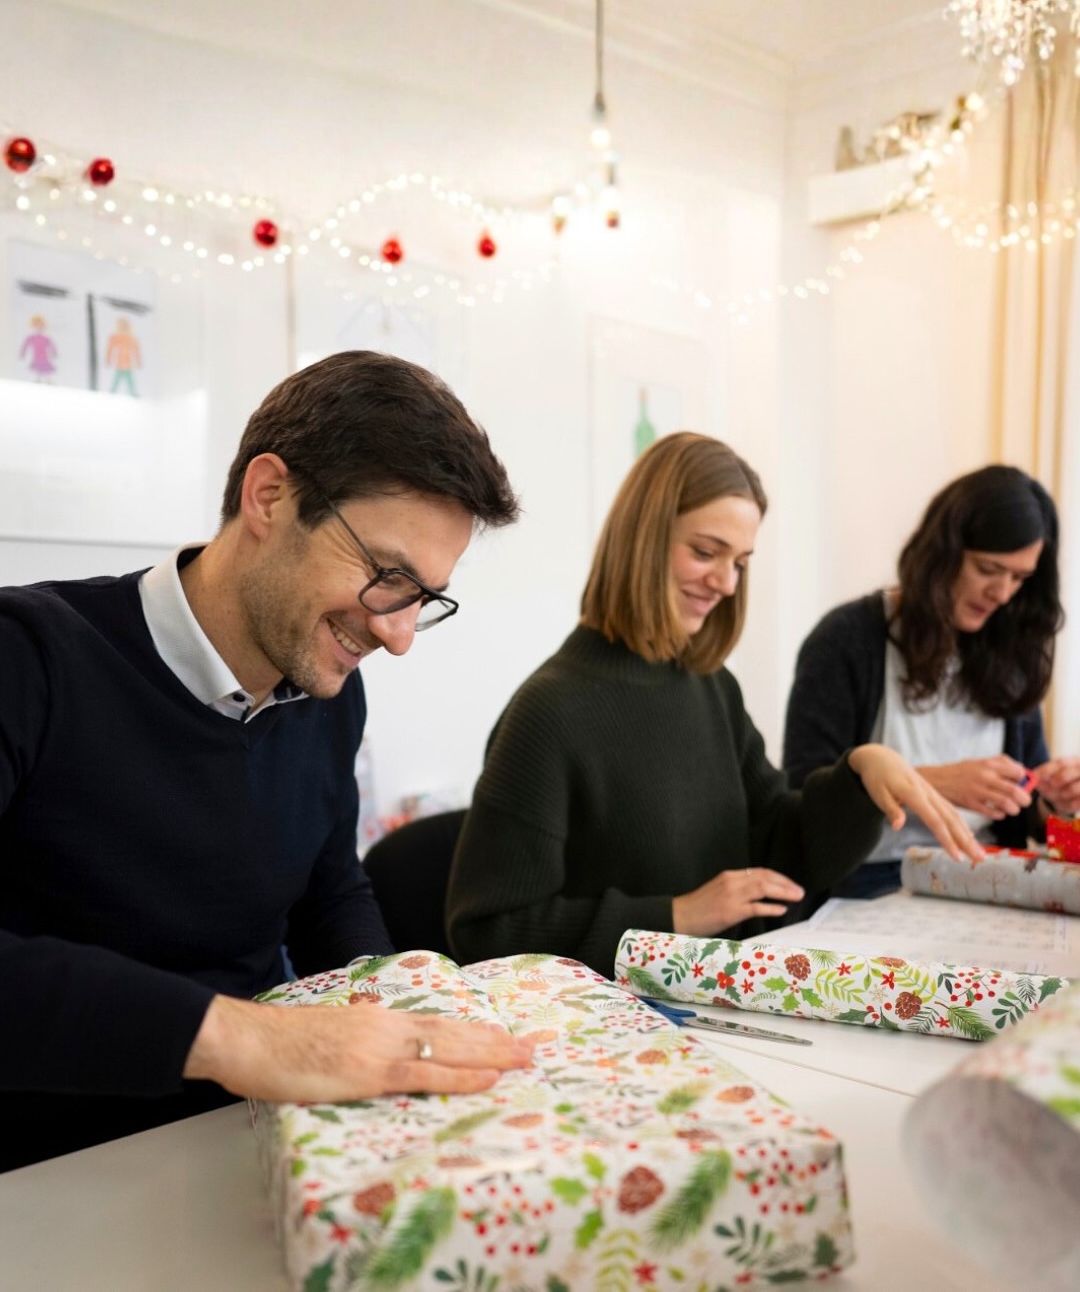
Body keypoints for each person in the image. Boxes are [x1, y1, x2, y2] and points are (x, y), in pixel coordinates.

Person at [0, 350, 531, 1172]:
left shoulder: (327, 694)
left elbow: (327, 889)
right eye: (389, 576)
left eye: (422, 599)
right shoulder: (28, 656)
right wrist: (240, 1036)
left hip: (255, 1146)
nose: (396, 636)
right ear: (269, 496)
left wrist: (391, 998)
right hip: (49, 1170)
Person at [446, 433, 980, 978]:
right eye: (705, 552)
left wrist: (863, 774)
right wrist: (676, 915)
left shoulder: (711, 686)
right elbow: (487, 934)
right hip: (621, 1030)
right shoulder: (550, 713)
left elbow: (783, 849)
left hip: (720, 1001)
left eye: (741, 563)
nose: (725, 582)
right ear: (644, 542)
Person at [783, 464, 1080, 900]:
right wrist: (933, 782)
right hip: (869, 885)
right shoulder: (846, 640)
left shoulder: (1011, 649)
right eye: (988, 568)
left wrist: (1055, 801)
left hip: (988, 880)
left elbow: (1028, 813)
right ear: (941, 554)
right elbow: (800, 804)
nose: (1002, 593)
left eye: (1019, 578)